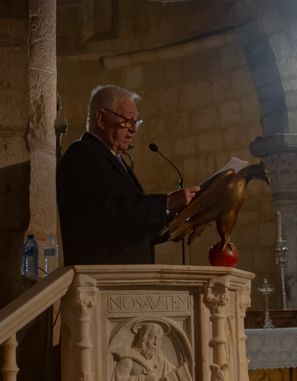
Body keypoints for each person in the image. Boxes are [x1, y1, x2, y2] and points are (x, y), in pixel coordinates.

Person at [56, 85, 199, 265]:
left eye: (136, 122)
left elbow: (132, 226)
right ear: (102, 119)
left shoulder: (116, 159)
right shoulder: (82, 154)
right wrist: (167, 202)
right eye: (128, 120)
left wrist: (180, 219)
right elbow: (108, 210)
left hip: (127, 277)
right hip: (102, 277)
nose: (134, 129)